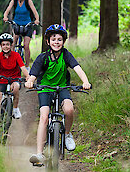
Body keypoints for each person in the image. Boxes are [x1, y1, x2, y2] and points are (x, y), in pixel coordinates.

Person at [25, 24, 91, 165]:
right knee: (44, 117)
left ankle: (67, 134)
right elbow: (33, 75)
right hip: (45, 88)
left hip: (62, 87)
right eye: (53, 39)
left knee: (69, 109)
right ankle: (39, 153)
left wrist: (85, 81)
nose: (56, 42)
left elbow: (77, 68)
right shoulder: (43, 57)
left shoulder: (66, 55)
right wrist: (30, 82)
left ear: (63, 42)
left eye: (59, 39)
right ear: (48, 42)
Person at [0, 33, 30, 135]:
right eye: (3, 44)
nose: (5, 46)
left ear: (11, 45)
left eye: (7, 44)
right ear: (0, 46)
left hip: (14, 79)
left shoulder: (16, 55)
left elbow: (23, 68)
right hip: (2, 80)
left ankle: (15, 108)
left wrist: (28, 77)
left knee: (15, 87)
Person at [3, 0, 40, 71]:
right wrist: (5, 17)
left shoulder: (28, 1)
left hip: (27, 25)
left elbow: (35, 12)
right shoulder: (14, 1)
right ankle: (10, 62)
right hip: (17, 24)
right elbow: (7, 10)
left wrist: (37, 19)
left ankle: (27, 66)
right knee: (13, 43)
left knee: (26, 46)